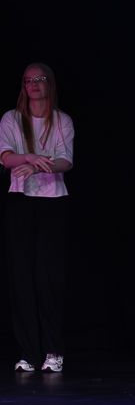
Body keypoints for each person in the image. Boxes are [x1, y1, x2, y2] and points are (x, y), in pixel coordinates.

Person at [1, 63, 75, 374]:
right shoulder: (11, 118)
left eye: (40, 79)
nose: (34, 84)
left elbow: (65, 161)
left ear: (50, 84)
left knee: (48, 279)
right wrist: (30, 158)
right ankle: (29, 352)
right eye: (28, 80)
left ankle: (53, 351)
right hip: (20, 201)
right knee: (21, 278)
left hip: (52, 203)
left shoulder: (62, 120)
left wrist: (36, 166)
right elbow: (6, 157)